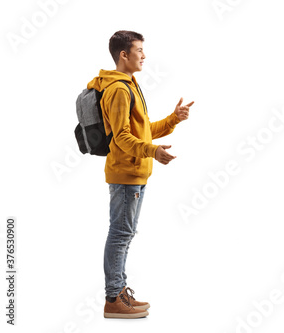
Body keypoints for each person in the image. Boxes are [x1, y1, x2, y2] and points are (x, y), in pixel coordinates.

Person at [86, 30, 194, 319]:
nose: (144, 55)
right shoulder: (120, 89)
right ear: (124, 54)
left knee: (125, 233)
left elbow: (142, 130)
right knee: (120, 234)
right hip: (125, 174)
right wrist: (152, 152)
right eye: (139, 50)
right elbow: (121, 137)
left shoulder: (129, 85)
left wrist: (174, 119)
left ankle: (119, 292)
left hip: (133, 172)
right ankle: (113, 298)